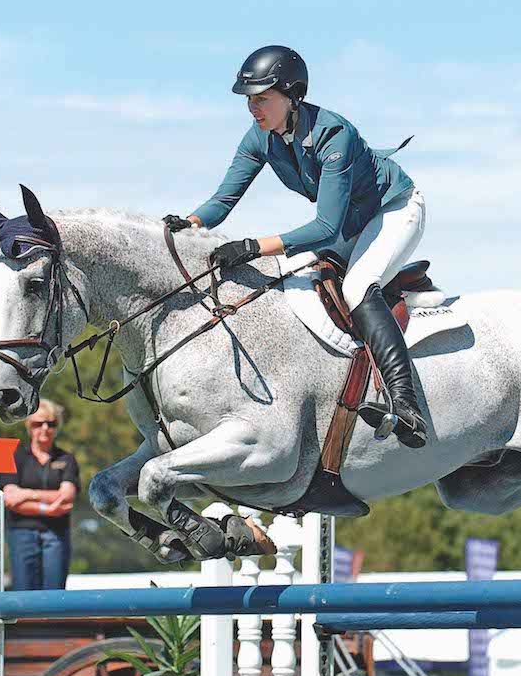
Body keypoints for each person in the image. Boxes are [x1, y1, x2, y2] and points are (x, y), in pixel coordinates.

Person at [166, 45, 428, 449]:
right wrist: (190, 222)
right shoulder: (260, 137)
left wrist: (255, 245)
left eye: (263, 98)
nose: (254, 107)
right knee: (295, 277)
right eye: (250, 99)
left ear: (293, 96)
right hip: (351, 221)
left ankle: (407, 408)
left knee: (358, 287)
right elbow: (223, 200)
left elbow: (325, 227)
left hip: (393, 209)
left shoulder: (334, 135)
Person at [0, 400, 79, 590]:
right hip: (21, 532)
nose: (44, 428)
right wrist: (48, 508)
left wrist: (26, 493)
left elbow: (66, 497)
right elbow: (10, 499)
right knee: (23, 593)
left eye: (50, 423)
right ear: (28, 425)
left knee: (54, 595)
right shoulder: (10, 454)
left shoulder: (67, 459)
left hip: (56, 534)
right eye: (37, 423)